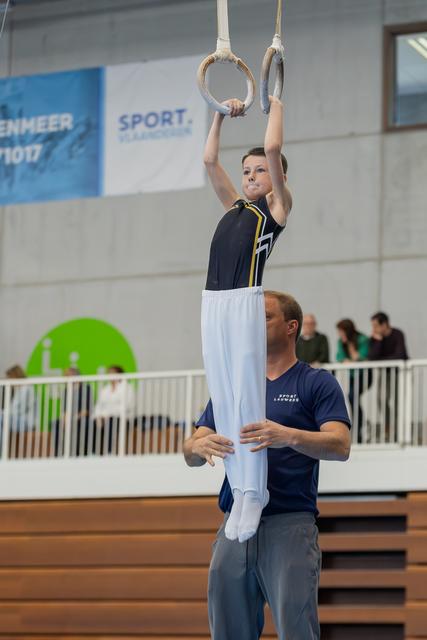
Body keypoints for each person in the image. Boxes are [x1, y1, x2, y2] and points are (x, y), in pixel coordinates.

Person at [184, 291, 351, 640]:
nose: (251, 326)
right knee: (227, 631)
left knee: (296, 631)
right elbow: (190, 452)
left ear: (292, 327)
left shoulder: (316, 382)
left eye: (263, 317)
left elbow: (340, 445)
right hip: (234, 526)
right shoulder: (233, 385)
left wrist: (287, 435)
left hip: (289, 526)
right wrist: (198, 445)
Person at [201, 95, 292, 543]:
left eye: (259, 171)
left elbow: (273, 149)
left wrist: (275, 103)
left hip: (244, 302)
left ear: (275, 179)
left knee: (246, 398)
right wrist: (218, 111)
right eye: (248, 172)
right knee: (223, 391)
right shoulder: (235, 207)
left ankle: (256, 490)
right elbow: (208, 158)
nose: (253, 177)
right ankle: (239, 490)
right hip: (211, 303)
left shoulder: (276, 210)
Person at [368, 312, 408, 438]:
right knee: (381, 399)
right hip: (385, 373)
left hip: (399, 373)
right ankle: (388, 425)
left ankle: (397, 428)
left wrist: (383, 360)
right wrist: (379, 341)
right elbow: (372, 358)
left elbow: (400, 355)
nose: (373, 329)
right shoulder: (375, 338)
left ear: (384, 324)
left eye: (375, 325)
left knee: (397, 401)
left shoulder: (397, 334)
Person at [336, 318, 370, 442]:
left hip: (364, 374)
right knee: (352, 399)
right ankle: (357, 428)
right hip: (352, 376)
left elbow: (361, 356)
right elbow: (340, 357)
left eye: (341, 331)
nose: (339, 334)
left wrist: (351, 347)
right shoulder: (341, 341)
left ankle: (359, 428)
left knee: (352, 397)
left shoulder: (362, 339)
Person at [93, 365, 135, 454]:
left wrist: (107, 415)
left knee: (111, 423)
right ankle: (92, 452)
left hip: (121, 418)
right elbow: (98, 405)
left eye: (113, 373)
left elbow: (127, 406)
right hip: (104, 418)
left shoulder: (127, 387)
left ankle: (109, 452)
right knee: (91, 424)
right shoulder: (105, 389)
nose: (110, 375)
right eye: (109, 373)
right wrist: (98, 416)